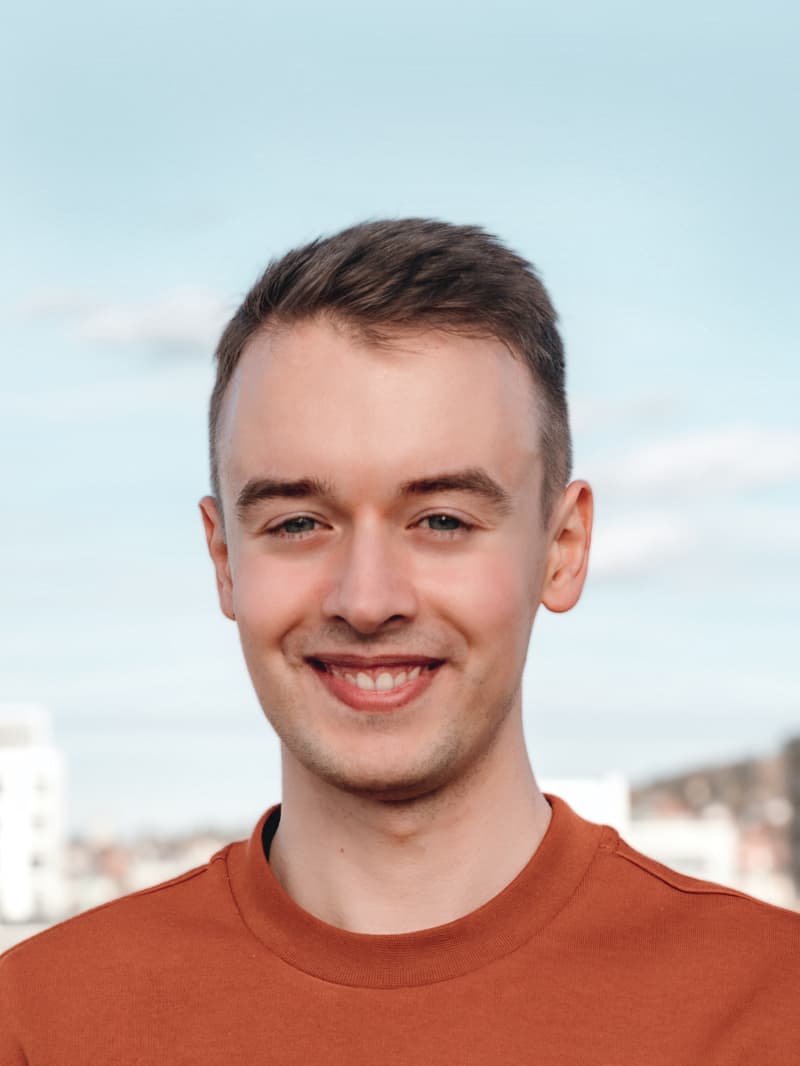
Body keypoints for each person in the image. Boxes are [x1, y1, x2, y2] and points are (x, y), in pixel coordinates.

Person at [1, 218, 797, 1064]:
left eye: (443, 520)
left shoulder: (774, 1008)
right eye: (298, 522)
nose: (367, 600)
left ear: (562, 550)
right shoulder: (40, 1024)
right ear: (224, 560)